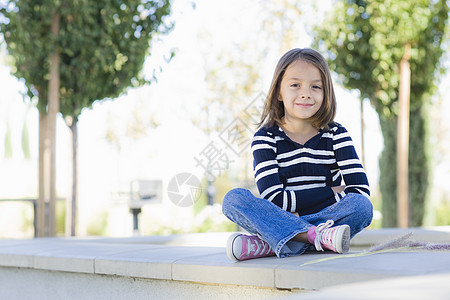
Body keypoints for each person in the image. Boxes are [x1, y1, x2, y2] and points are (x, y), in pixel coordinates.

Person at [222, 48, 373, 261]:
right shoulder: (265, 138)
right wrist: (332, 191)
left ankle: (277, 241)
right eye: (295, 85)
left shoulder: (337, 134)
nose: (305, 93)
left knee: (361, 208)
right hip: (324, 227)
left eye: (316, 86)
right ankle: (315, 237)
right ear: (278, 92)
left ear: (326, 92)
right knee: (233, 200)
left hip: (319, 220)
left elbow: (360, 191)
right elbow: (274, 198)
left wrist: (290, 216)